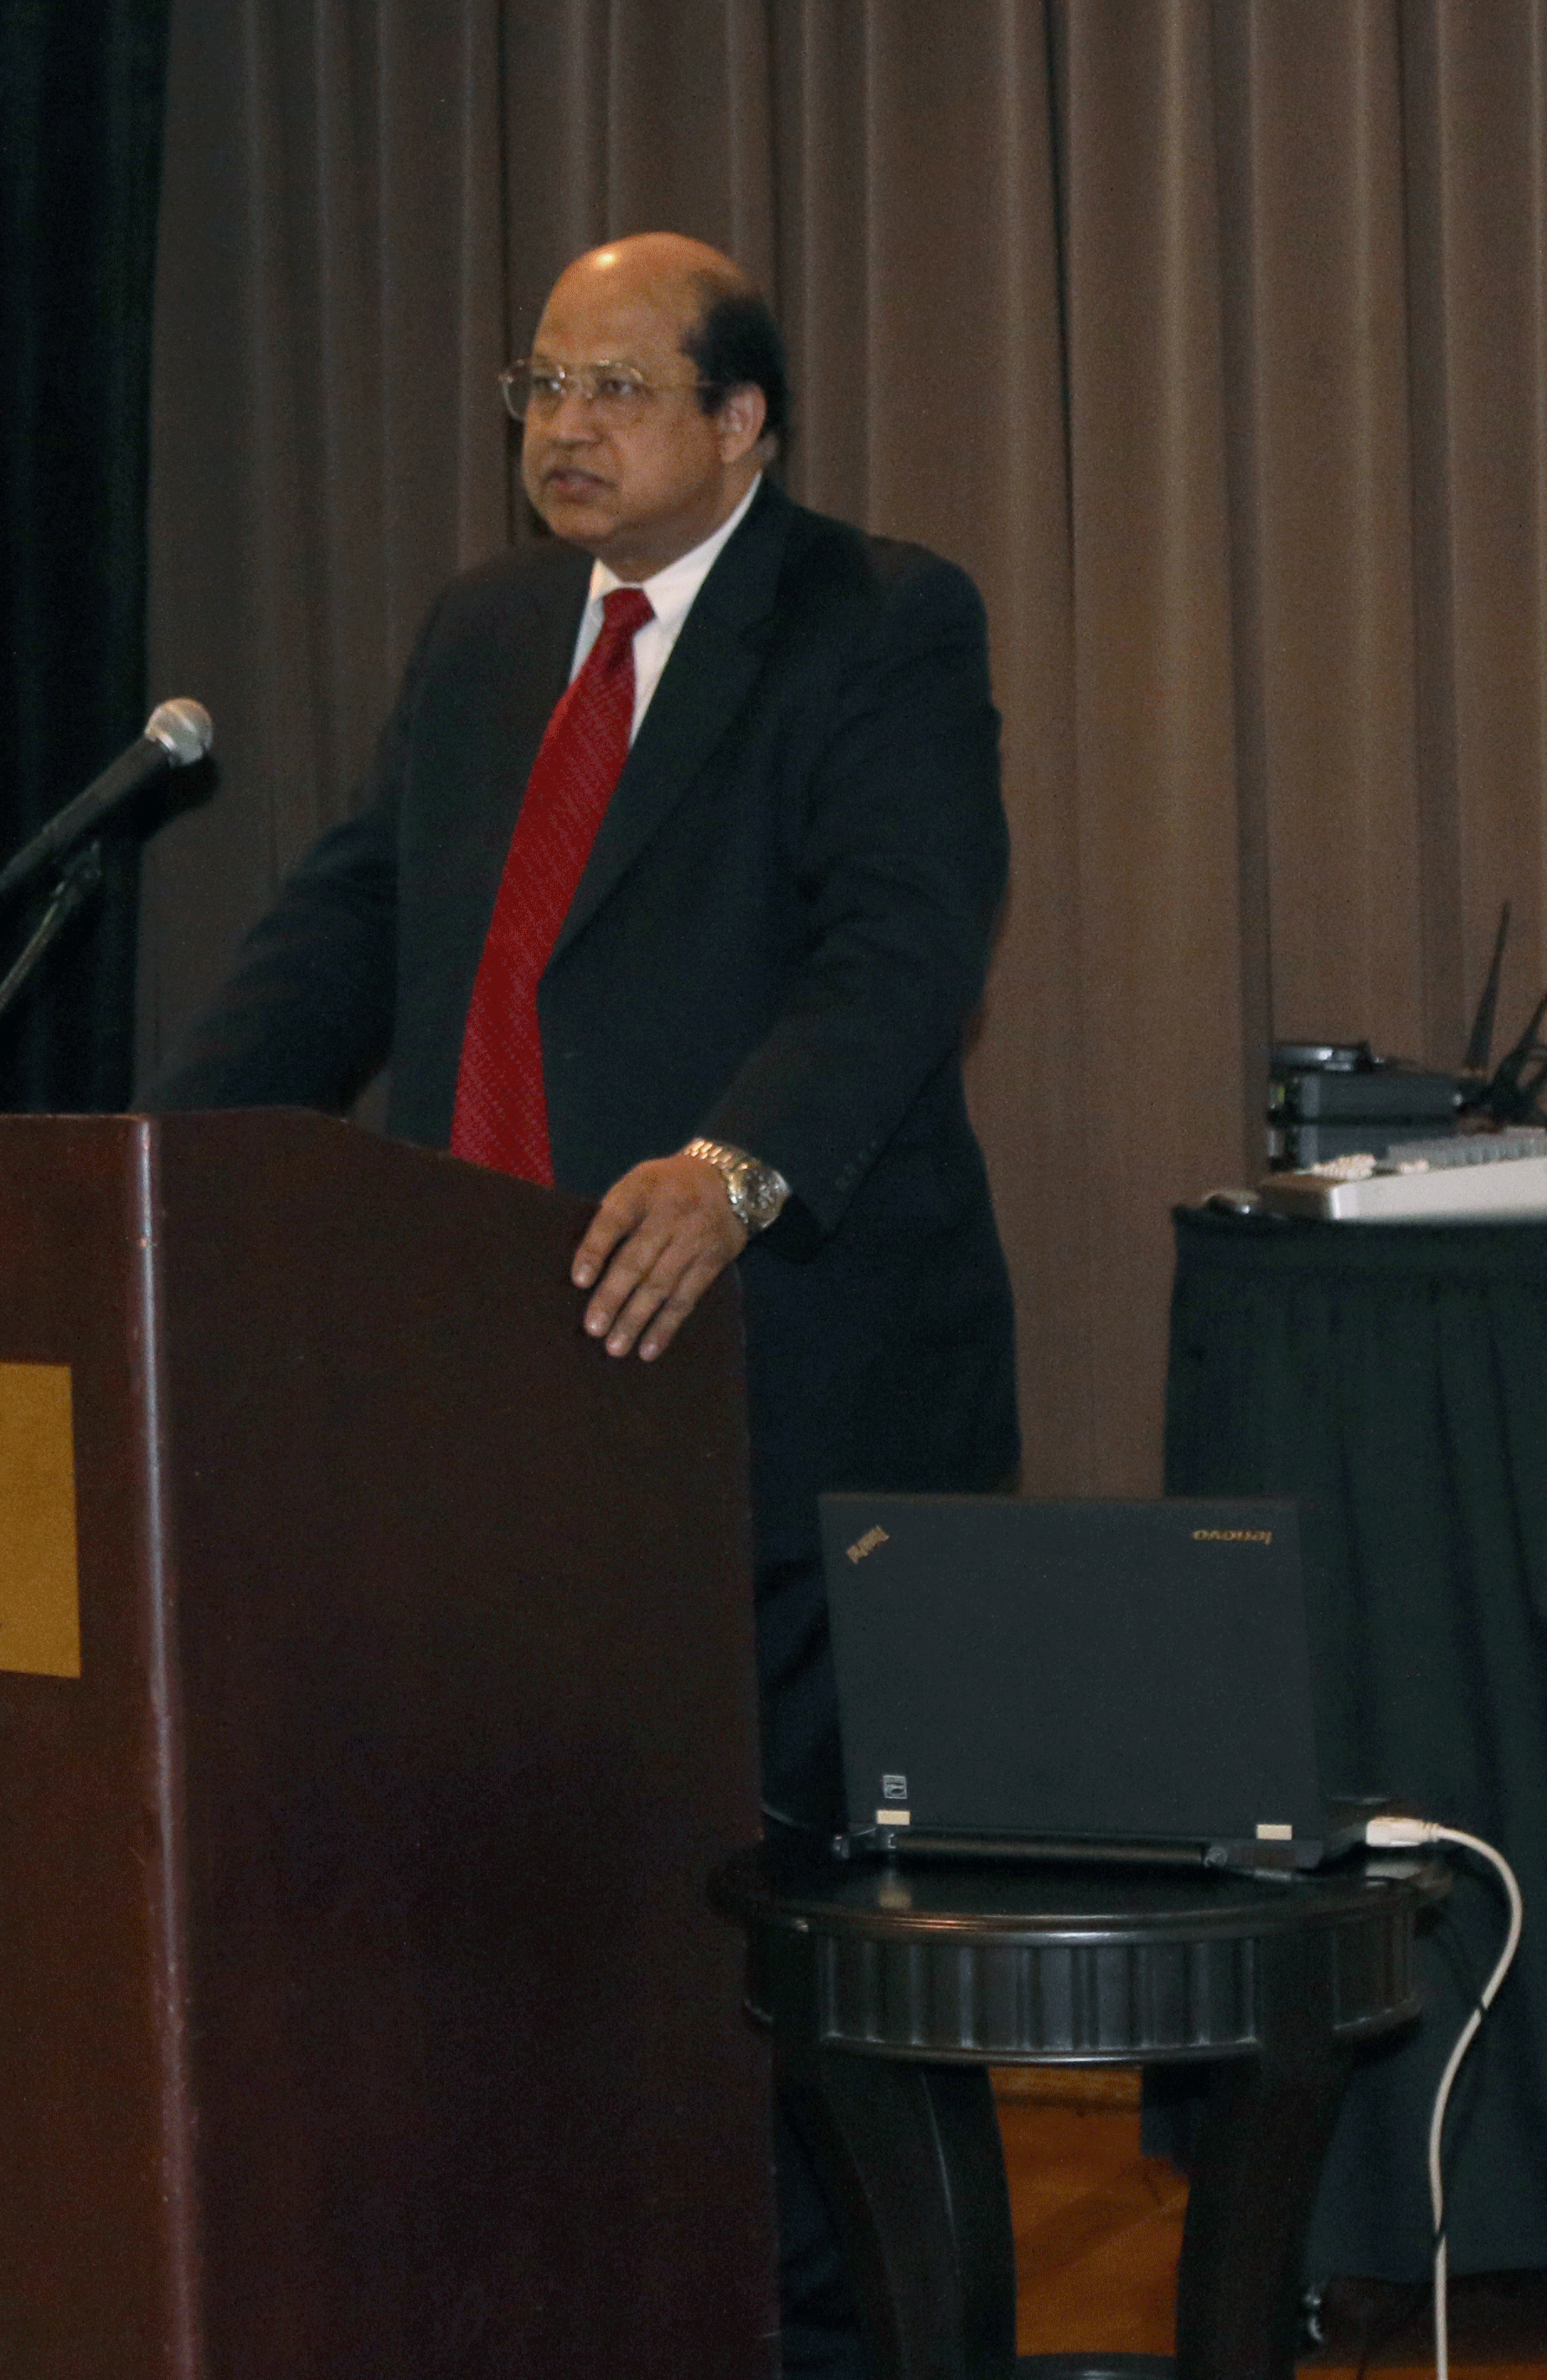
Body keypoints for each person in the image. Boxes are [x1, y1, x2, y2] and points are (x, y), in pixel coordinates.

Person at [148, 231, 1013, 2377]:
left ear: (744, 422)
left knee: (830, 1939)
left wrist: (735, 1170)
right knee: (557, 1906)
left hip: (793, 1381)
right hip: (503, 1381)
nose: (563, 427)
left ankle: (865, 2340)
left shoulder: (876, 618)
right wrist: (146, 1167)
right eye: (538, 387)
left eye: (616, 388)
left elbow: (902, 948)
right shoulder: (483, 637)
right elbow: (350, 932)